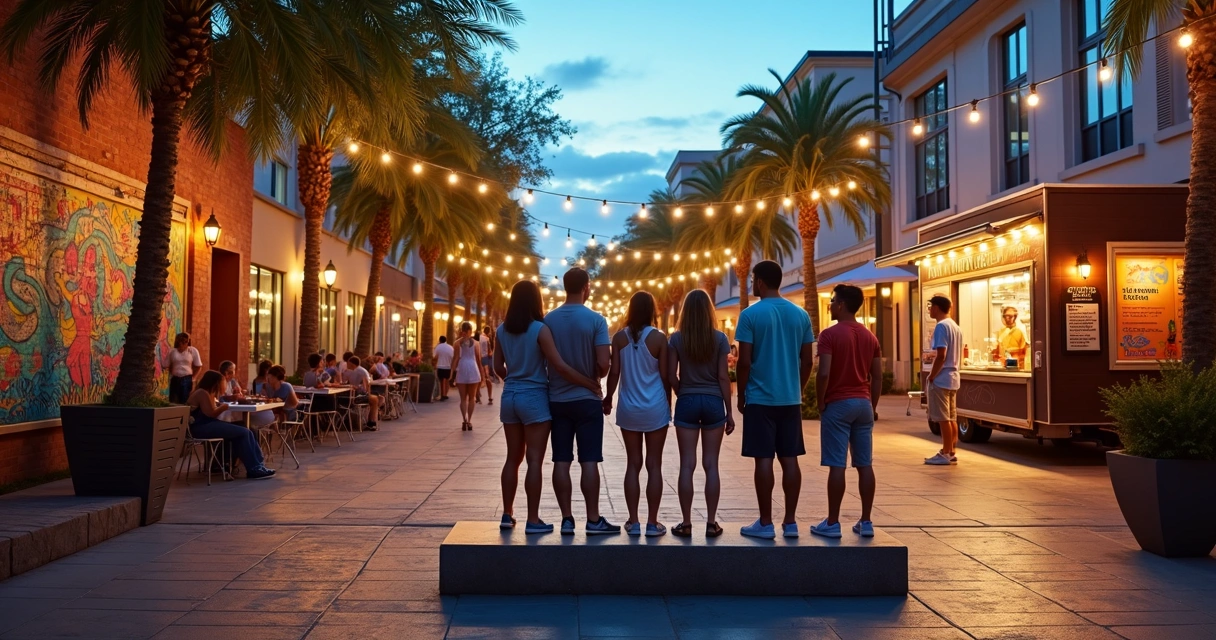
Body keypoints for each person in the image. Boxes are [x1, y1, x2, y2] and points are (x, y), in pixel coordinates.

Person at [495, 280, 602, 534]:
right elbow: (560, 366)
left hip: (510, 395)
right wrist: (589, 383)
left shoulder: (501, 330)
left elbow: (497, 367)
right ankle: (533, 519)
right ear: (535, 301)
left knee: (513, 458)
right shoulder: (539, 330)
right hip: (534, 397)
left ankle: (507, 514)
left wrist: (512, 377)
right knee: (534, 460)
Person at [735, 260, 815, 539]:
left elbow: (744, 361)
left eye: (753, 279)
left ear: (759, 282)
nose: (751, 284)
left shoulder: (750, 315)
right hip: (789, 399)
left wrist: (741, 394)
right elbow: (808, 361)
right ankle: (790, 523)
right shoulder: (801, 315)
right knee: (790, 459)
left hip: (760, 399)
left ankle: (766, 522)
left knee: (764, 460)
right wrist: (798, 388)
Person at [545, 268, 619, 536]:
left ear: (565, 287)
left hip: (557, 399)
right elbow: (603, 363)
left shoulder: (548, 320)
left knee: (561, 461)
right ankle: (593, 519)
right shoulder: (596, 320)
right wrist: (594, 376)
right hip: (587, 401)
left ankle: (566, 519)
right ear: (586, 287)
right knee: (589, 461)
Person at [811, 284, 882, 539]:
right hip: (863, 404)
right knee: (865, 464)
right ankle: (866, 521)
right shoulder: (870, 337)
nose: (830, 305)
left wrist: (820, 403)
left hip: (838, 404)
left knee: (837, 465)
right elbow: (877, 376)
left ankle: (832, 522)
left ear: (841, 305)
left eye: (832, 301)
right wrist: (872, 406)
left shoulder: (829, 335)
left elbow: (825, 373)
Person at [666, 289, 734, 538]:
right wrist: (729, 412)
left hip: (687, 400)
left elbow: (671, 374)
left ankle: (686, 523)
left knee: (687, 464)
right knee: (711, 464)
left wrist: (681, 391)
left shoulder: (676, 339)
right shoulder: (719, 339)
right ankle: (711, 523)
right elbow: (723, 377)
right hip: (714, 401)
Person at [604, 291, 671, 537]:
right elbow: (664, 376)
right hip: (655, 408)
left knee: (633, 464)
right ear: (651, 310)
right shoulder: (659, 338)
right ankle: (653, 523)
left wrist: (608, 397)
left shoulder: (619, 338)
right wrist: (669, 403)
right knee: (654, 465)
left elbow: (614, 373)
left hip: (629, 408)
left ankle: (633, 521)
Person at [186, 370, 275, 479]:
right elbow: (211, 413)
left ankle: (258, 465)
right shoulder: (202, 393)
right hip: (201, 427)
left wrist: (220, 404)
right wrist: (223, 407)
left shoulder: (207, 393)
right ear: (214, 382)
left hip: (208, 424)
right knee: (244, 432)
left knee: (245, 429)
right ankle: (254, 469)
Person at [925, 295, 963, 465]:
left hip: (942, 378)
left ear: (937, 308)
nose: (929, 310)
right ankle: (952, 450)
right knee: (952, 417)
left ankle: (946, 452)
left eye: (930, 306)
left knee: (943, 418)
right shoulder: (955, 326)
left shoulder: (941, 326)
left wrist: (932, 375)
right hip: (953, 376)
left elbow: (941, 355)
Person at [453, 322, 483, 431]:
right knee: (472, 398)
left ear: (462, 330)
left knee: (462, 399)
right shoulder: (476, 343)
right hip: (473, 368)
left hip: (462, 368)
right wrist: (483, 375)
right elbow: (479, 360)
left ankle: (464, 419)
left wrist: (452, 373)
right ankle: (469, 421)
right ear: (471, 331)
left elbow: (456, 358)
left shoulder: (457, 343)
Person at [344, 356, 381, 431]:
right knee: (375, 399)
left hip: (357, 395)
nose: (346, 364)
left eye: (348, 363)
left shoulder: (358, 371)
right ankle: (371, 422)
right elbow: (367, 385)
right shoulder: (358, 370)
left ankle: (372, 422)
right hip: (356, 395)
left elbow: (365, 386)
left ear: (351, 363)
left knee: (375, 399)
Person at [163, 332, 202, 403]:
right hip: (175, 378)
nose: (182, 344)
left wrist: (194, 378)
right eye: (180, 342)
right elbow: (166, 365)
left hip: (187, 378)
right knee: (174, 400)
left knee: (185, 400)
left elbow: (199, 366)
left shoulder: (192, 351)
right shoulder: (172, 351)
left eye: (185, 342)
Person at [434, 336, 455, 401]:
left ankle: (442, 395)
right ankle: (445, 394)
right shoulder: (450, 347)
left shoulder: (438, 347)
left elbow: (435, 357)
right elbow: (453, 357)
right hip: (448, 367)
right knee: (446, 380)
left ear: (440, 340)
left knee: (441, 381)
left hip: (440, 366)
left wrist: (434, 365)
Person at [479, 326, 495, 406]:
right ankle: (490, 397)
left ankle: (477, 396)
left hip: (478, 358)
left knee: (478, 378)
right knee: (487, 377)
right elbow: (490, 352)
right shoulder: (487, 339)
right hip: (486, 358)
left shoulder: (479, 337)